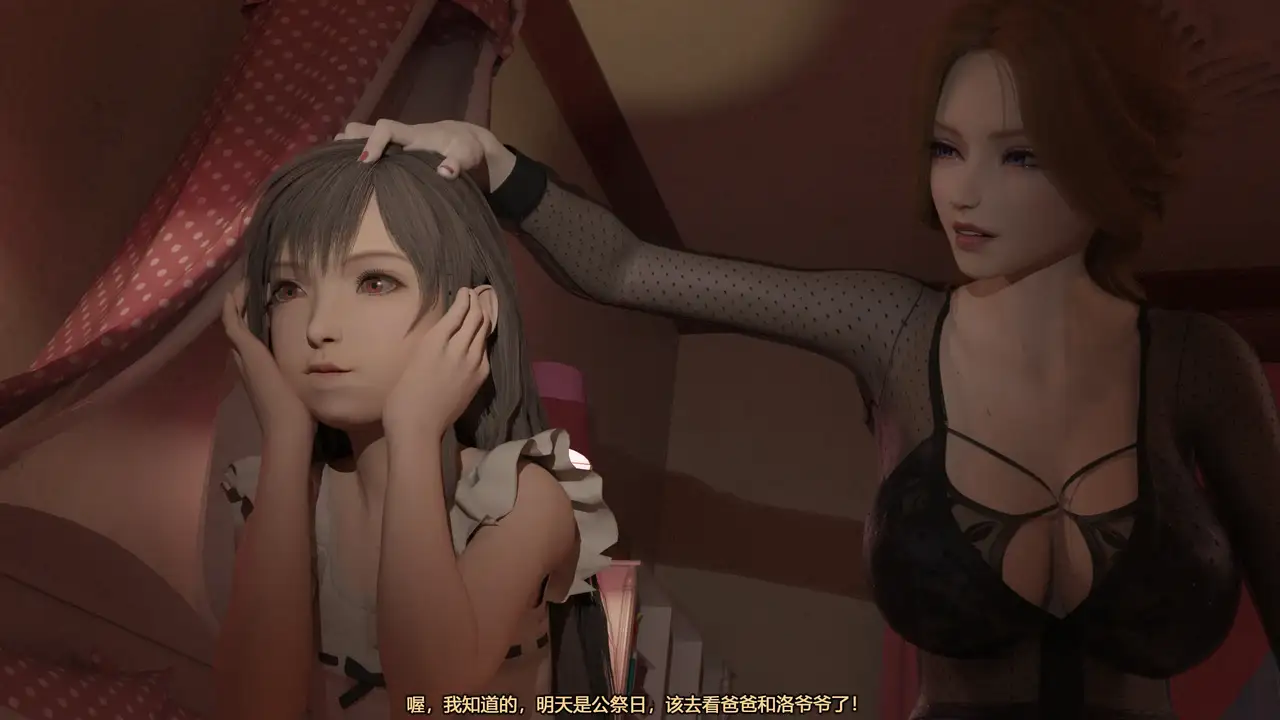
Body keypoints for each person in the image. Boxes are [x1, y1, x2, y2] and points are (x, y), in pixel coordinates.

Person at [340, 0, 1280, 717]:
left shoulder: (1201, 364)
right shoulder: (895, 328)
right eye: (947, 149)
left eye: (1019, 156)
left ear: (1106, 161)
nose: (963, 192)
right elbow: (629, 267)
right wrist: (493, 161)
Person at [212, 140, 618, 720]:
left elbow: (430, 696)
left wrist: (415, 433)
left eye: (375, 281)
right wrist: (285, 438)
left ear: (473, 314)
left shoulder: (519, 498)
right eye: (288, 289)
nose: (319, 326)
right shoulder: (271, 492)